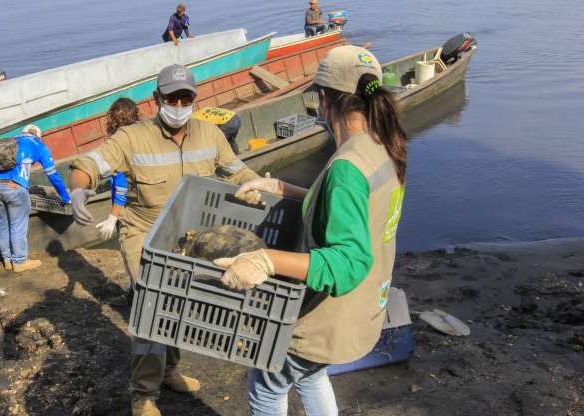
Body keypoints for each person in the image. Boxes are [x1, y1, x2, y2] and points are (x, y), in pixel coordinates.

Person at [216, 45, 408, 415]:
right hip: (366, 308)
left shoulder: (347, 165)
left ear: (324, 99)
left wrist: (266, 260)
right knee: (309, 376)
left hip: (329, 316)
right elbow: (357, 209)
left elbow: (348, 262)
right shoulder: (383, 145)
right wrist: (281, 189)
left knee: (267, 386)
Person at [68, 64, 260, 416]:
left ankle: (169, 369)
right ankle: (143, 393)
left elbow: (237, 171)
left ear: (194, 100)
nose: (179, 103)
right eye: (171, 97)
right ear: (157, 99)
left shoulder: (210, 135)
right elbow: (90, 163)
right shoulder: (132, 137)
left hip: (188, 237)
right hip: (143, 233)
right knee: (153, 303)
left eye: (185, 97)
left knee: (180, 304)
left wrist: (257, 185)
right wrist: (79, 191)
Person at [0, 124, 71, 273]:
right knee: (17, 225)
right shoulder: (39, 146)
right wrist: (65, 196)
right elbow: (52, 174)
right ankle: (20, 262)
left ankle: (7, 260)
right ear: (39, 136)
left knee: (1, 224)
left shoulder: (10, 141)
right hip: (15, 188)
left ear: (23, 132)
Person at [95, 97, 141, 240]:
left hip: (128, 211)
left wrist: (113, 217)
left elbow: (121, 185)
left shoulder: (118, 144)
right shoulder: (141, 138)